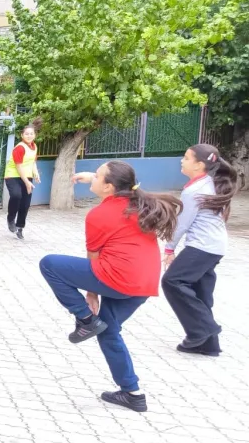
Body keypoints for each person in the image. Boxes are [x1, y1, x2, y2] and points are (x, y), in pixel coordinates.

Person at [38, 161, 181, 413]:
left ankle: (84, 320)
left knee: (49, 264)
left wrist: (90, 296)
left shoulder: (99, 214)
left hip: (117, 277)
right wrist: (87, 176)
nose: (93, 177)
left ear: (108, 186)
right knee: (108, 331)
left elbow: (93, 256)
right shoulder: (139, 203)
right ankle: (132, 393)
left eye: (97, 175)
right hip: (143, 283)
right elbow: (116, 183)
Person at [161, 144, 235, 357]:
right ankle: (208, 345)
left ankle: (203, 329)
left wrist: (169, 248)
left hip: (202, 246)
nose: (181, 161)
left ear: (199, 165)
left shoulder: (194, 190)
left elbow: (182, 223)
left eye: (186, 158)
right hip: (215, 246)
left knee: (172, 281)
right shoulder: (211, 184)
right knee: (201, 291)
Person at [5, 124, 40, 240]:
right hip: (13, 176)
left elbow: (33, 162)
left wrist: (36, 173)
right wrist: (26, 182)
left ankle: (20, 227)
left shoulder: (34, 147)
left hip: (27, 177)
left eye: (31, 133)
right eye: (27, 134)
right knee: (16, 195)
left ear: (35, 135)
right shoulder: (19, 148)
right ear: (22, 135)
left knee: (25, 204)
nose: (29, 136)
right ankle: (10, 219)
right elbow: (18, 166)